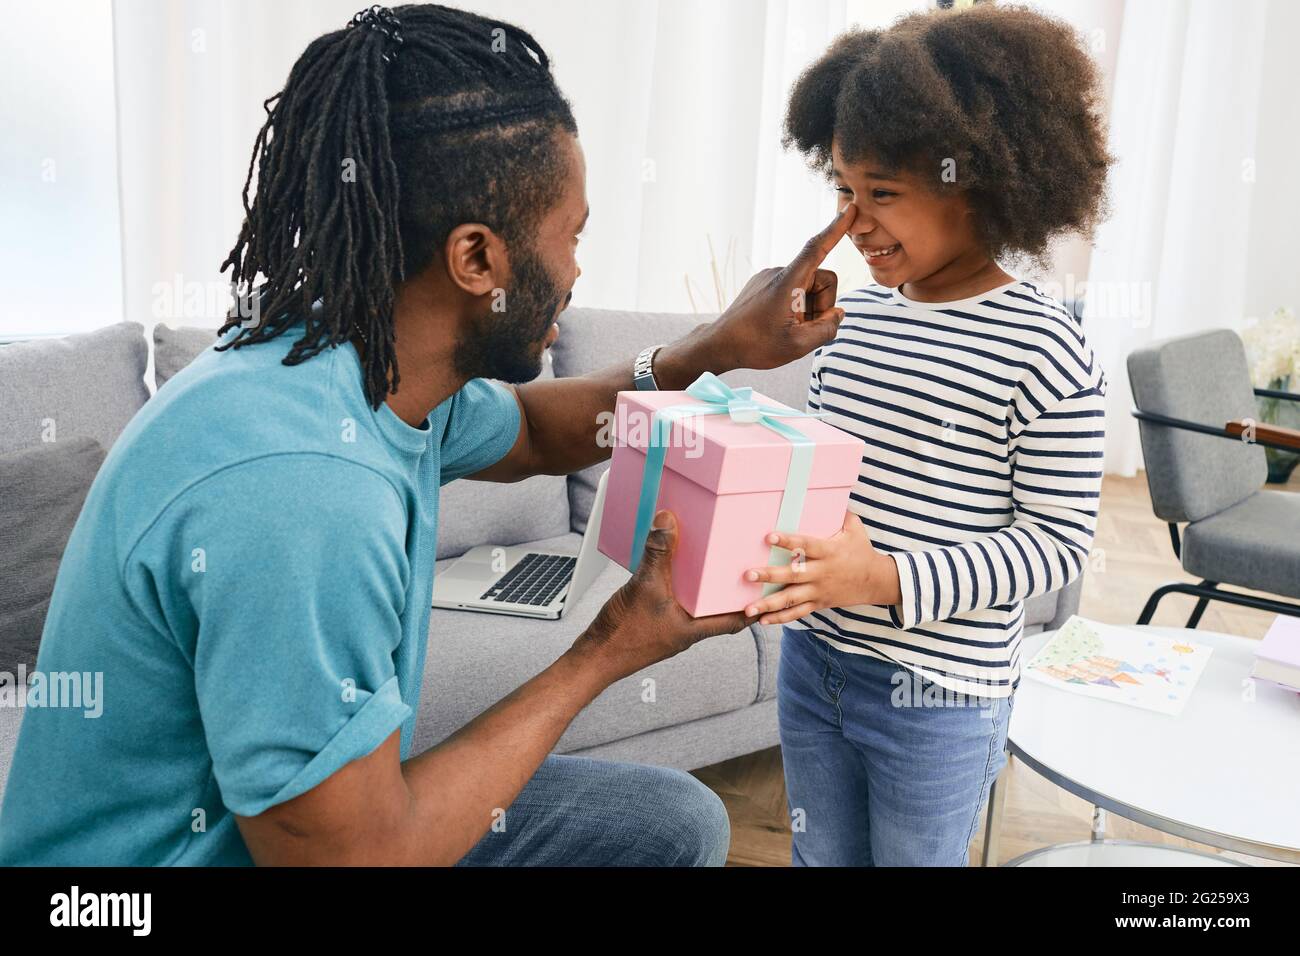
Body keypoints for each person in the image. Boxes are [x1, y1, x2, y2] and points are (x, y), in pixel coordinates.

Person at [0, 3, 853, 866]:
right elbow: (354, 860)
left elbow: (534, 432)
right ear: (476, 259)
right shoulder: (306, 491)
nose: (577, 272)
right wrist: (611, 647)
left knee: (666, 822)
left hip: (307, 833)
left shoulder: (354, 357)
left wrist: (718, 348)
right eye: (573, 238)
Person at [740, 4, 1113, 866]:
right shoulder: (856, 319)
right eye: (843, 189)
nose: (854, 221)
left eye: (884, 195)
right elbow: (833, 477)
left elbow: (1057, 546)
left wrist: (886, 578)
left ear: (977, 184)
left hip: (941, 694)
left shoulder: (1046, 347)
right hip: (816, 662)